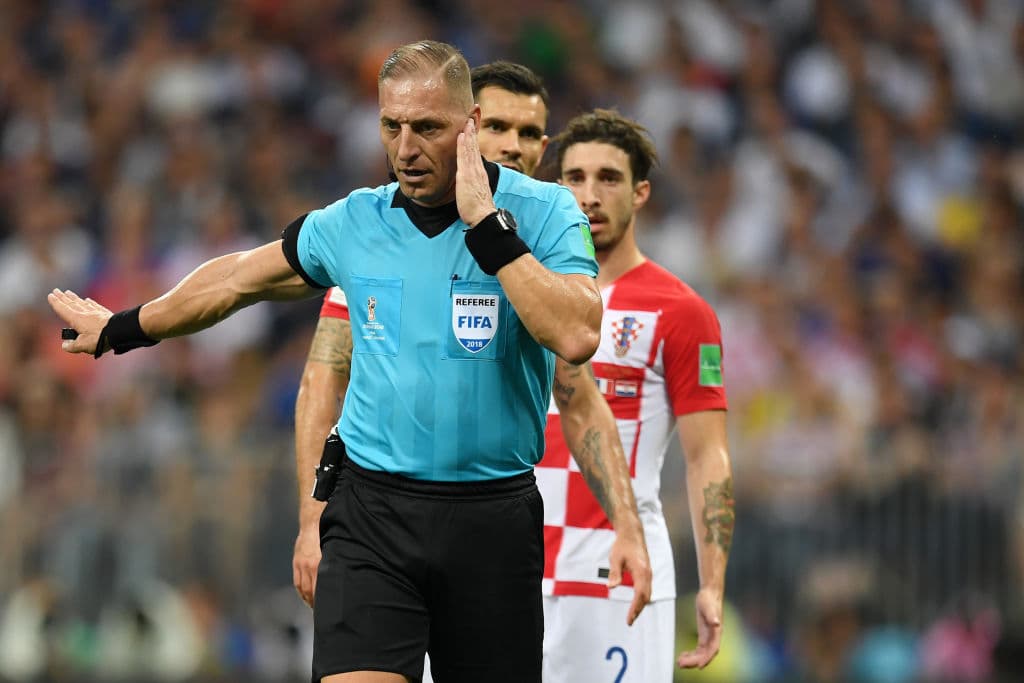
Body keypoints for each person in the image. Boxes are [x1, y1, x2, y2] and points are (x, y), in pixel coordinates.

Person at [48, 41, 651, 683]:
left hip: (492, 521)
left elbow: (579, 334)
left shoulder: (546, 212)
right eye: (392, 126)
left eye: (428, 128)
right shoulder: (355, 223)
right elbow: (236, 281)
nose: (406, 146)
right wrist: (120, 327)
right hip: (373, 515)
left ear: (469, 126)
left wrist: (486, 226)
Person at [292, 64, 652, 659]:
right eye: (501, 127)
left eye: (533, 133)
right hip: (384, 521)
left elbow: (579, 396)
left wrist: (628, 526)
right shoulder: (382, 239)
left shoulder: (541, 246)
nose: (515, 145)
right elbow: (322, 381)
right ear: (467, 129)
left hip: (503, 532)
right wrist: (311, 522)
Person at [536, 109, 735, 682]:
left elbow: (708, 455)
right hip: (507, 571)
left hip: (618, 578)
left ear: (641, 192)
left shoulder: (681, 311)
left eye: (609, 178)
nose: (590, 195)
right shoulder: (526, 290)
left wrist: (713, 582)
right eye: (575, 178)